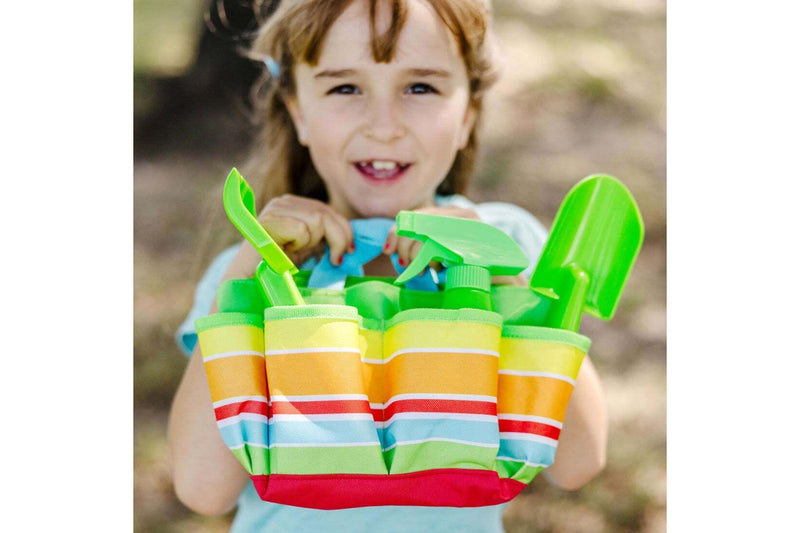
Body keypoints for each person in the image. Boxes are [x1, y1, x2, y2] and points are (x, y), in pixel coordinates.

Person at [167, 0, 607, 531]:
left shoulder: (507, 244)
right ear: (299, 111)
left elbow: (577, 464)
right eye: (345, 87)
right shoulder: (251, 276)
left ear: (467, 113)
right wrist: (249, 267)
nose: (384, 126)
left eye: (420, 87)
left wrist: (502, 279)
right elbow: (202, 488)